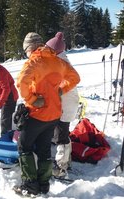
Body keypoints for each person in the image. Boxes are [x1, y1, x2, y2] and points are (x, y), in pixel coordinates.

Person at [13, 32, 80, 196]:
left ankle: (29, 185)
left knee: (24, 146)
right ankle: (43, 184)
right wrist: (60, 90)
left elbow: (21, 83)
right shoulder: (58, 61)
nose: (26, 53)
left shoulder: (34, 61)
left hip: (38, 114)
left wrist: (32, 98)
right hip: (55, 114)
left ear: (30, 48)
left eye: (26, 50)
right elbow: (75, 78)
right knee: (43, 149)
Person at [45, 32, 80, 178]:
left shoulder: (61, 62)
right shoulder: (57, 60)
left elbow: (72, 80)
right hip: (63, 103)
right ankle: (65, 161)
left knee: (61, 135)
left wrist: (58, 89)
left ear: (55, 50)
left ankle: (61, 167)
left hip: (66, 105)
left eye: (48, 49)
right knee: (61, 133)